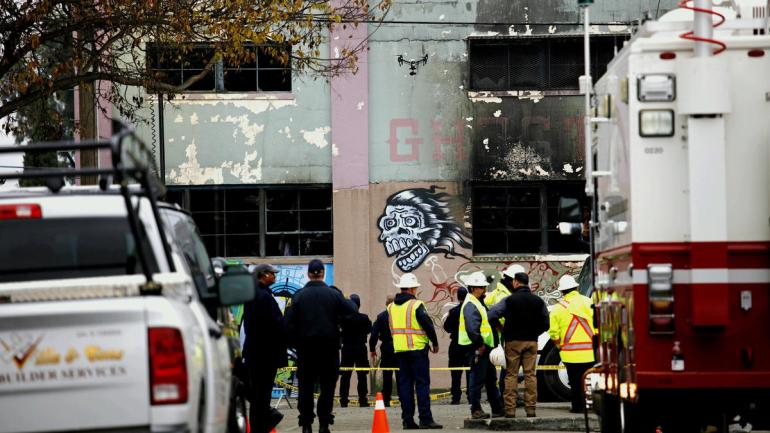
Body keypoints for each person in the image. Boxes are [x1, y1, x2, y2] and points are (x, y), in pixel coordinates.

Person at [285, 259, 357, 433]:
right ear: (323, 273)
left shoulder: (299, 296)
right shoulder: (333, 295)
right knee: (328, 387)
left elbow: (287, 323)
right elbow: (352, 310)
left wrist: (296, 343)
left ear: (309, 274)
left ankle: (306, 424)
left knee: (306, 388)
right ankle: (324, 424)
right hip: (329, 349)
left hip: (306, 349)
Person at [489, 271, 549, 418]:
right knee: (530, 375)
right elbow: (546, 323)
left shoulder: (509, 300)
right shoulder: (538, 301)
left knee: (511, 375)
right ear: (527, 282)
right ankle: (531, 410)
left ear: (515, 282)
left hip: (512, 341)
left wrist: (499, 327)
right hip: (531, 341)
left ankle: (510, 410)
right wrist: (535, 333)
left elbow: (492, 314)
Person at [389, 273, 443, 429]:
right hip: (417, 350)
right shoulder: (416, 305)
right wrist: (435, 342)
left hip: (400, 350)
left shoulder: (391, 306)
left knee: (405, 385)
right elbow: (428, 325)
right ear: (412, 289)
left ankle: (407, 420)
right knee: (422, 384)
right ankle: (425, 419)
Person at [242, 263, 287, 433]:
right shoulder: (263, 297)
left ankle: (259, 425)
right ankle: (263, 424)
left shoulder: (253, 295)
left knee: (258, 395)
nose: (274, 276)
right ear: (263, 275)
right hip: (265, 355)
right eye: (272, 274)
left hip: (256, 353)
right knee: (262, 394)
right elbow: (277, 325)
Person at [458, 271, 504, 420]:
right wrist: (479, 344)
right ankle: (476, 409)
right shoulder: (471, 304)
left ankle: (497, 408)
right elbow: (472, 328)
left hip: (484, 348)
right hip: (477, 348)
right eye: (481, 287)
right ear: (473, 288)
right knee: (477, 380)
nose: (484, 290)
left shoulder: (476, 302)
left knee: (490, 380)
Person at [548, 274, 596, 414]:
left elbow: (553, 333)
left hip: (570, 355)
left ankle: (577, 407)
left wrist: (559, 346)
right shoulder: (588, 302)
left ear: (562, 291)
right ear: (576, 287)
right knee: (589, 381)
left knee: (575, 382)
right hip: (590, 352)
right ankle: (591, 406)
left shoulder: (557, 309)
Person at [485, 263, 525, 395]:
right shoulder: (503, 295)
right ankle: (505, 396)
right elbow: (495, 317)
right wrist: (501, 328)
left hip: (499, 335)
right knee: (507, 369)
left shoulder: (500, 291)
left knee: (507, 368)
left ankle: (506, 396)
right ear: (513, 280)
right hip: (503, 336)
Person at [339, 293, 372, 408]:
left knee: (345, 375)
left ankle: (343, 400)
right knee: (362, 375)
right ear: (359, 305)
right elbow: (369, 330)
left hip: (347, 348)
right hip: (360, 348)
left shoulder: (343, 318)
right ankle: (363, 400)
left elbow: (339, 331)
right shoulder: (364, 318)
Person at [442, 287, 470, 405]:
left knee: (455, 372)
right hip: (469, 344)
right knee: (470, 371)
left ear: (458, 297)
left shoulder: (453, 311)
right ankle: (471, 396)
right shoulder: (470, 310)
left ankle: (456, 398)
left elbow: (447, 327)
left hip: (456, 345)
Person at [369, 294, 397, 407]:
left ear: (386, 304)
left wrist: (372, 349)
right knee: (402, 374)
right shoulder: (401, 315)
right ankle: (404, 398)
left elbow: (374, 334)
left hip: (386, 347)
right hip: (400, 346)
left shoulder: (381, 316)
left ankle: (386, 399)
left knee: (387, 373)